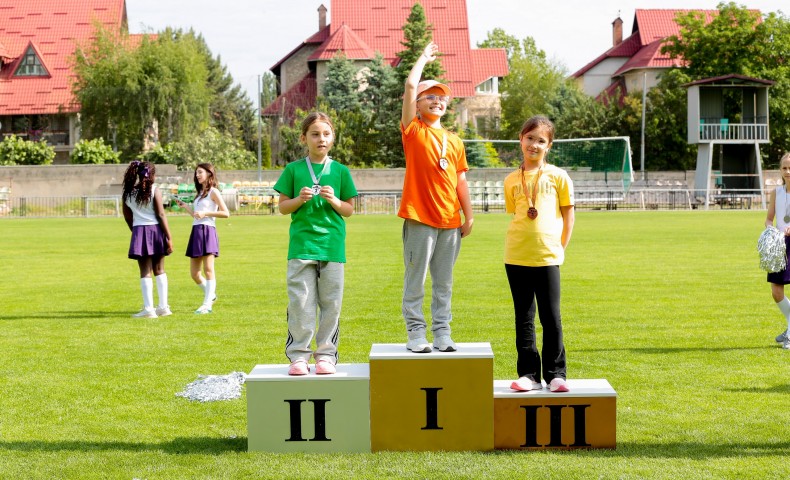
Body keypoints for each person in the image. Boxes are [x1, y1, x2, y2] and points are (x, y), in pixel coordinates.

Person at [399, 41, 474, 354]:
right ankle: (417, 333)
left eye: (441, 98)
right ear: (417, 104)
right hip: (419, 217)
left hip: (449, 221)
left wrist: (468, 215)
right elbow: (409, 83)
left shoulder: (454, 141)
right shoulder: (413, 131)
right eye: (429, 97)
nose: (436, 101)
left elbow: (460, 179)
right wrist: (423, 59)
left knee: (444, 284)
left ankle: (443, 333)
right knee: (415, 281)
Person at [273, 112, 358, 375]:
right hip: (301, 247)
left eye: (326, 134)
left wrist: (334, 201)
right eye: (314, 134)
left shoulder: (341, 171)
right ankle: (299, 355)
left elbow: (349, 210)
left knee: (331, 303)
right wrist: (299, 199)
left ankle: (326, 355)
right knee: (301, 302)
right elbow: (283, 208)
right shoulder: (293, 169)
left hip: (332, 247)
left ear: (332, 138)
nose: (321, 138)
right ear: (303, 138)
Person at [504, 116, 575, 393]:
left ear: (549, 146)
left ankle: (557, 374)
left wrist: (560, 248)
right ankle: (529, 375)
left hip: (548, 256)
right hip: (516, 255)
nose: (534, 144)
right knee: (524, 317)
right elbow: (517, 215)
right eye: (530, 138)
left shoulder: (558, 176)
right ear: (521, 139)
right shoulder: (511, 179)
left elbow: (569, 216)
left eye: (541, 140)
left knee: (551, 316)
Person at [175, 163, 230, 314]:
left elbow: (226, 213)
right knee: (194, 274)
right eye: (196, 173)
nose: (197, 175)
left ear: (209, 174)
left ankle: (207, 305)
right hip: (196, 230)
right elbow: (196, 215)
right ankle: (210, 295)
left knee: (208, 269)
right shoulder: (199, 194)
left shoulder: (214, 192)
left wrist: (206, 214)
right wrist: (186, 206)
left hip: (207, 230)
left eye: (200, 172)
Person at [122, 160, 173, 318]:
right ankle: (163, 307)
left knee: (145, 271)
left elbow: (127, 218)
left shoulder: (128, 193)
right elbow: (161, 214)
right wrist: (169, 237)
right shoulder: (155, 190)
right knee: (160, 270)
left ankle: (149, 309)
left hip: (139, 231)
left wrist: (136, 232)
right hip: (156, 231)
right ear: (152, 175)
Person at [764, 152, 790, 350]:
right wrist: (769, 229)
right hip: (779, 245)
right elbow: (769, 218)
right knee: (776, 290)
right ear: (780, 170)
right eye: (784, 168)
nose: (788, 171)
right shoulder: (776, 192)